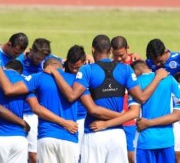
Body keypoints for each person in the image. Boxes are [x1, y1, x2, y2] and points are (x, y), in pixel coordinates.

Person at [45, 34, 169, 163]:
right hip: (118, 135)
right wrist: (157, 78)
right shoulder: (126, 69)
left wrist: (55, 72)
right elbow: (142, 98)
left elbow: (72, 96)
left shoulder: (87, 70)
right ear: (110, 51)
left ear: (92, 50)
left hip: (94, 133)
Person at [144, 38, 180, 163]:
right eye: (154, 62)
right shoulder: (147, 63)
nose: (157, 64)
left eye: (159, 60)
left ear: (165, 51)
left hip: (178, 110)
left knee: (176, 153)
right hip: (159, 108)